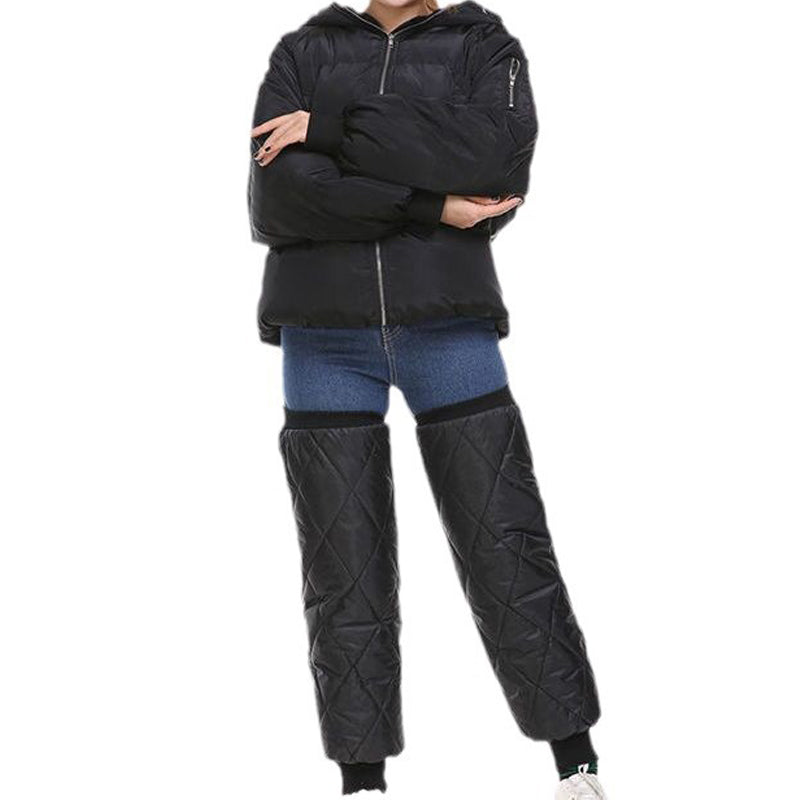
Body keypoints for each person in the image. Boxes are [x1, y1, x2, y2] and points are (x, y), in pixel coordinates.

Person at [247, 2, 608, 798]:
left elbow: (491, 159)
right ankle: (363, 783)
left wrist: (330, 129)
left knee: (506, 543)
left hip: (447, 325)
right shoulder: (302, 52)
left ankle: (576, 765)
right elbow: (281, 198)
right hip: (323, 335)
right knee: (342, 565)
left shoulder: (482, 47)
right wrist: (431, 204)